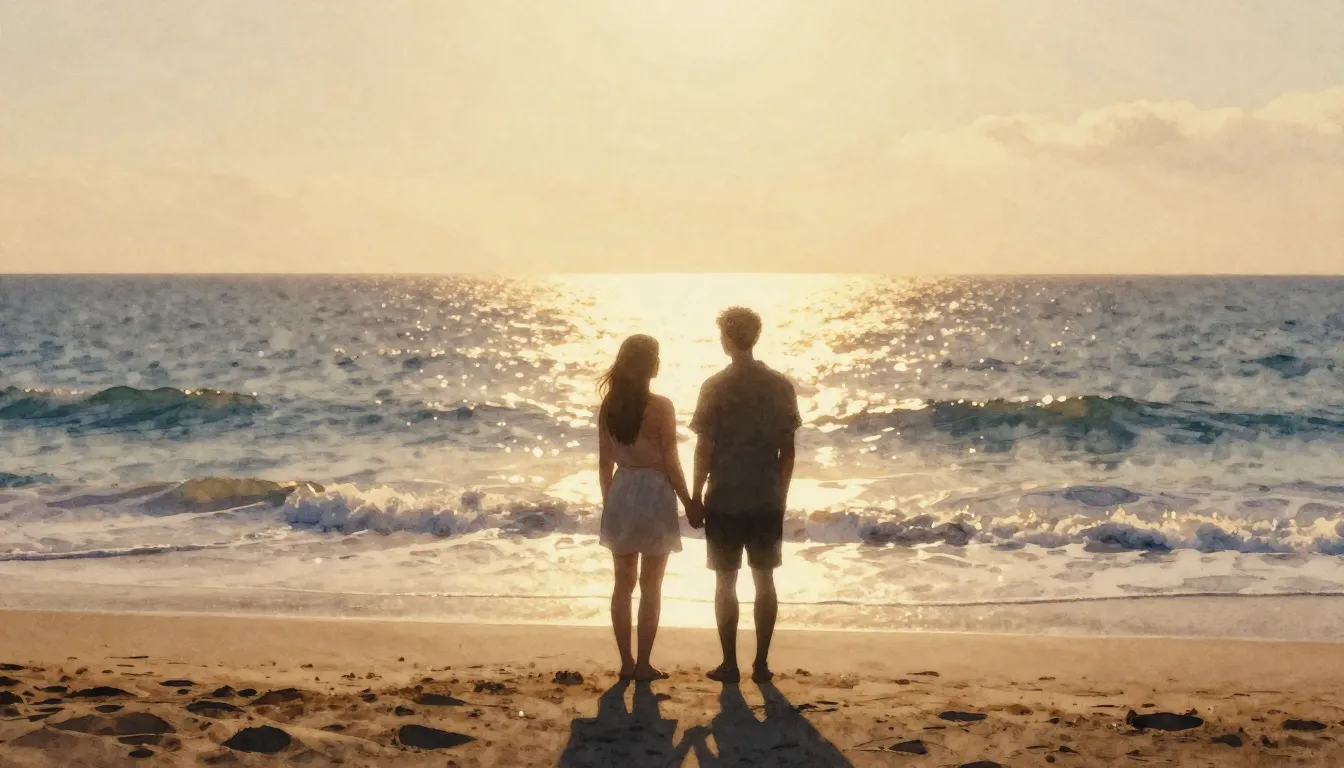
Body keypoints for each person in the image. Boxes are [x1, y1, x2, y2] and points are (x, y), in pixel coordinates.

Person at [690, 307, 801, 684]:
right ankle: (762, 664)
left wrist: (694, 495)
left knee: (725, 581)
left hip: (724, 495)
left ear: (726, 339)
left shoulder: (715, 386)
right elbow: (788, 451)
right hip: (766, 495)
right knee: (764, 579)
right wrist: (781, 494)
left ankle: (729, 664)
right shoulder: (780, 385)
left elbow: (704, 448)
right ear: (755, 337)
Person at [597, 334, 699, 682]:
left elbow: (604, 463)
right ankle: (643, 665)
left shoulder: (609, 406)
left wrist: (609, 503)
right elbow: (671, 460)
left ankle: (626, 663)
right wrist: (688, 501)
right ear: (650, 366)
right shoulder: (661, 407)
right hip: (655, 492)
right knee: (651, 586)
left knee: (622, 584)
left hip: (622, 489)